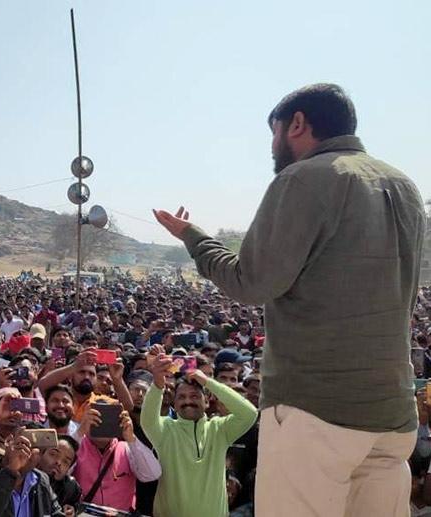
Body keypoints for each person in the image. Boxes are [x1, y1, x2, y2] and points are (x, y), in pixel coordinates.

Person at [153, 83, 426, 517]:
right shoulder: (406, 187)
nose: (273, 145)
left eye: (275, 131)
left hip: (317, 416)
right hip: (392, 417)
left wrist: (193, 237)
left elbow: (249, 281)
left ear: (297, 123)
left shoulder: (304, 178)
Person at [141, 355, 257, 517]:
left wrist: (208, 382)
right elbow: (146, 419)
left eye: (195, 396)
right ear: (174, 404)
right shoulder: (164, 429)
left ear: (207, 401)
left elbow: (249, 414)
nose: (188, 401)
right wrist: (158, 384)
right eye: (181, 397)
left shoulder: (219, 429)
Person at [73, 402, 161, 512]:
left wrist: (131, 437)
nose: (102, 422)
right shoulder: (76, 446)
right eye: (96, 418)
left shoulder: (127, 448)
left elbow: (152, 474)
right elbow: (59, 469)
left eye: (108, 417)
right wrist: (80, 431)